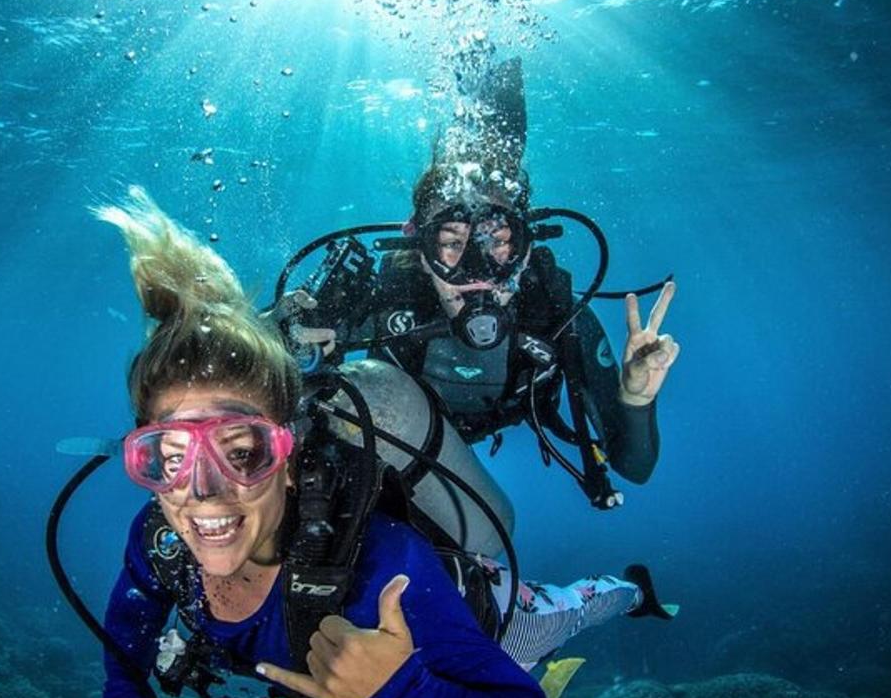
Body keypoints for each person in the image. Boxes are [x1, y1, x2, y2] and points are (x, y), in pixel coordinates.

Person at [91, 187, 672, 698]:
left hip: (476, 614)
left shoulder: (383, 565)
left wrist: (402, 695)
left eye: (243, 453)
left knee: (574, 608)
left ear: (289, 455)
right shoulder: (161, 542)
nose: (202, 490)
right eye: (166, 457)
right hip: (323, 686)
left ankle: (629, 591)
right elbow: (127, 635)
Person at [277, 58, 680, 509]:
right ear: (420, 251)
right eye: (451, 243)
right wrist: (283, 340)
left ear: (526, 247)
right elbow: (274, 364)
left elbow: (634, 467)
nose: (476, 271)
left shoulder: (558, 317)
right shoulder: (385, 301)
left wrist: (635, 397)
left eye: (498, 241)